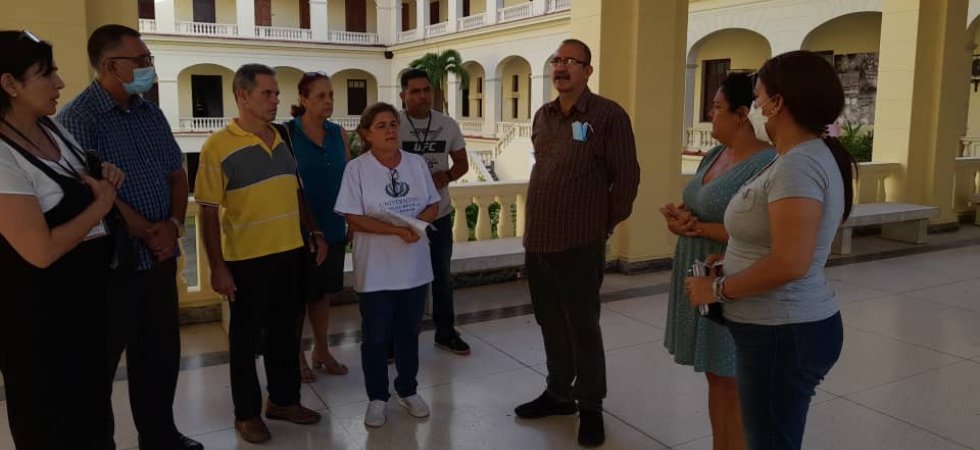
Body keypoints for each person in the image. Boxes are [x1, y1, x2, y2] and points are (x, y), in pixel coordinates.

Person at [686, 50, 856, 450]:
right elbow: (781, 242)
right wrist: (731, 262)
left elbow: (791, 261)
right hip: (777, 330)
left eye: (760, 98)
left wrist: (718, 290)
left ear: (778, 103)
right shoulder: (794, 158)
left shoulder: (800, 165)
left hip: (784, 333)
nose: (757, 108)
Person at [56, 24, 201, 450]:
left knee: (159, 356)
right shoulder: (78, 119)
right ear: (109, 66)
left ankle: (160, 436)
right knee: (99, 364)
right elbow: (90, 191)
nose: (148, 68)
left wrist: (172, 226)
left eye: (148, 60)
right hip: (114, 265)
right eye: (139, 61)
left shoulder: (149, 111)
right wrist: (142, 229)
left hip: (159, 257)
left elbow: (177, 174)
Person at [0, 30, 124, 449]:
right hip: (38, 325)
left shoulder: (52, 130)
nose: (59, 83)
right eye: (45, 73)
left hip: (86, 310)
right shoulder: (1, 155)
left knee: (93, 417)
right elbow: (40, 250)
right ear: (10, 84)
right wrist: (100, 206)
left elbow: (80, 181)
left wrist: (101, 176)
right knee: (51, 425)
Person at [514, 39, 640, 448]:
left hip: (579, 244)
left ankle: (590, 406)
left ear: (588, 70)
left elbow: (627, 179)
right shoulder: (544, 115)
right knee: (550, 322)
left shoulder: (608, 116)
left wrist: (602, 224)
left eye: (572, 61)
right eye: (557, 60)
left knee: (583, 327)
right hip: (540, 241)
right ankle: (558, 394)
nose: (562, 66)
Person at [196, 64, 326, 444]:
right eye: (267, 94)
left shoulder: (283, 134)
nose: (275, 100)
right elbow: (205, 210)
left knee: (287, 334)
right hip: (248, 260)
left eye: (275, 94)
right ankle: (247, 413)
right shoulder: (217, 146)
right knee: (245, 340)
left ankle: (283, 401)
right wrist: (218, 267)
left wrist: (314, 230)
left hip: (291, 251)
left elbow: (296, 189)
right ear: (243, 96)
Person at [661, 73, 776, 450]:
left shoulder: (766, 162)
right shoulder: (714, 154)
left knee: (733, 378)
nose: (710, 113)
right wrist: (683, 220)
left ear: (742, 113)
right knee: (716, 375)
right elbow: (701, 207)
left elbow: (758, 229)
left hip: (730, 273)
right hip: (698, 271)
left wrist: (699, 230)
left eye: (716, 107)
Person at [334, 102, 441, 428]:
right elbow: (353, 216)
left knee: (409, 332)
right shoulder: (357, 169)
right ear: (366, 134)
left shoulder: (416, 163)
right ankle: (377, 398)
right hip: (377, 269)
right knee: (376, 336)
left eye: (393, 123)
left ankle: (408, 390)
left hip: (413, 265)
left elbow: (433, 203)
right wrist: (396, 229)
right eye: (380, 125)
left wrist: (415, 225)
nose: (390, 130)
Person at [282, 71, 351, 383]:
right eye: (321, 95)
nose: (328, 101)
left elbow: (351, 181)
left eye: (331, 95)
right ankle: (294, 357)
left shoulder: (340, 134)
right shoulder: (286, 134)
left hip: (334, 225)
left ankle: (321, 350)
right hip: (299, 230)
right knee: (296, 296)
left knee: (323, 294)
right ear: (304, 100)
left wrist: (353, 219)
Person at [398, 68, 471, 355]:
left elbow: (462, 164)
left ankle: (445, 332)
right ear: (402, 95)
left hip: (438, 214)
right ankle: (399, 338)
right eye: (415, 91)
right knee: (402, 279)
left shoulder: (447, 125)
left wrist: (448, 176)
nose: (422, 95)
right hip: (402, 216)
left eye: (426, 89)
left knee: (442, 276)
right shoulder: (393, 124)